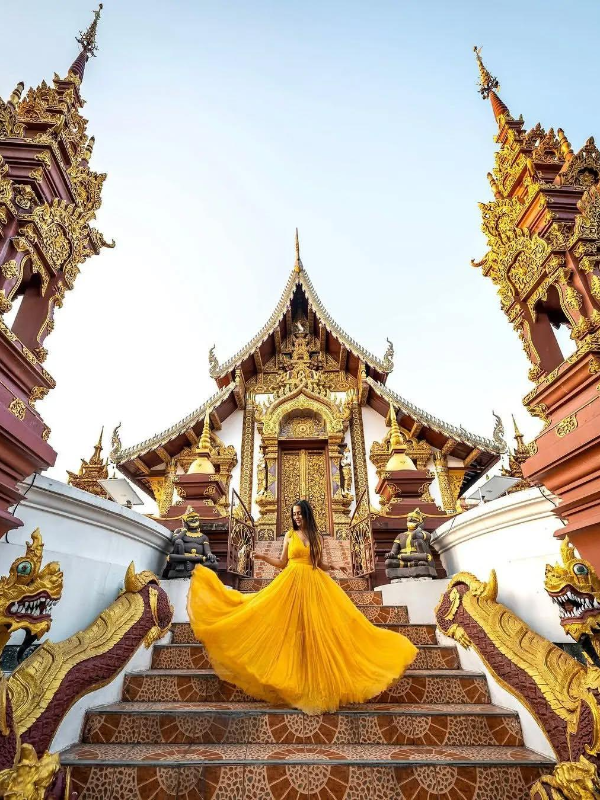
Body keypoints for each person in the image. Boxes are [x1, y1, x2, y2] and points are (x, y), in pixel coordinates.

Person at [187, 499, 418, 714]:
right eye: (294, 514)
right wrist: (260, 557)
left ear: (307, 514)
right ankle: (292, 681)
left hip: (315, 583)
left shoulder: (317, 537)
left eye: (299, 513)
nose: (296, 517)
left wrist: (337, 568)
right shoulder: (289, 535)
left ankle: (316, 683)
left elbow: (319, 563)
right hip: (291, 582)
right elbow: (282, 562)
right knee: (278, 621)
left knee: (317, 631)